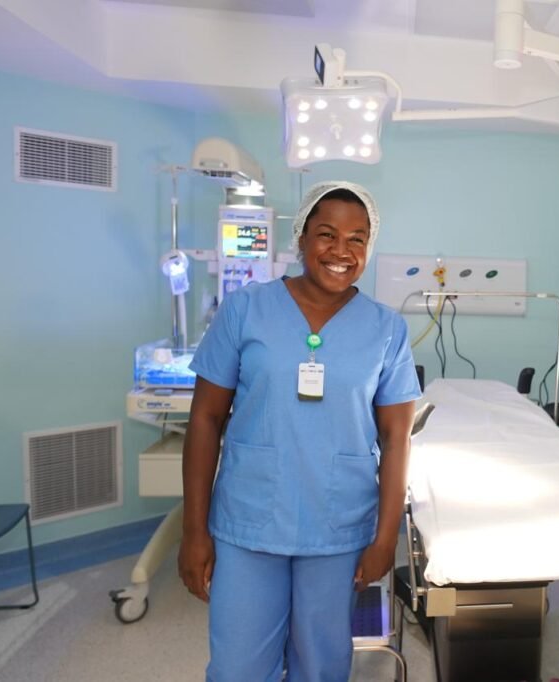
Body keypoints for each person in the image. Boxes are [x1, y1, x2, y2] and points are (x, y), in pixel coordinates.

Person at [177, 181, 421, 682]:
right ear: (302, 238)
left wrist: (386, 538)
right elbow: (204, 419)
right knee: (237, 668)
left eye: (357, 239)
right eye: (327, 234)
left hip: (338, 523)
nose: (341, 251)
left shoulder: (386, 329)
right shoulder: (245, 310)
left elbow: (397, 438)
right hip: (249, 518)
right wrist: (193, 530)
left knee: (321, 664)